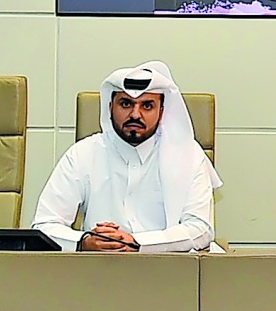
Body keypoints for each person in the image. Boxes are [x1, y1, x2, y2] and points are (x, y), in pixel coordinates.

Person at [33, 61, 221, 252]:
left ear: (161, 111)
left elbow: (200, 230)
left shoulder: (188, 156)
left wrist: (138, 244)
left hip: (167, 272)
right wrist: (82, 242)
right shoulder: (83, 154)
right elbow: (44, 225)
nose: (135, 114)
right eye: (126, 104)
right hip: (96, 272)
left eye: (147, 106)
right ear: (110, 107)